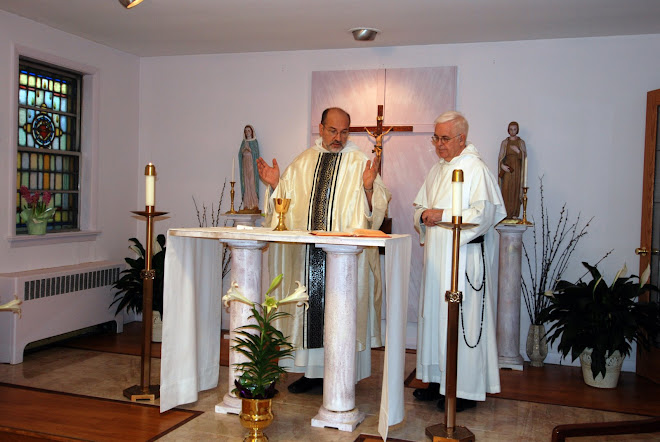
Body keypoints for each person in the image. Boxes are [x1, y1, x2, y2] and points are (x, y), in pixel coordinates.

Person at [256, 107, 390, 393]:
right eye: (332, 131)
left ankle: (341, 371)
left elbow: (375, 210)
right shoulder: (304, 161)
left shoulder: (359, 162)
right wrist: (275, 184)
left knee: (339, 311)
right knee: (310, 311)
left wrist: (367, 189)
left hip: (342, 260)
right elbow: (284, 208)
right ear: (320, 128)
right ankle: (311, 373)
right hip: (308, 258)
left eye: (344, 132)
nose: (338, 137)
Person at [412, 111, 506, 411]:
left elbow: (484, 214)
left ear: (461, 138)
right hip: (438, 261)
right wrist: (423, 215)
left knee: (461, 322)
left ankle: (463, 389)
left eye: (444, 138)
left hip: (463, 260)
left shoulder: (474, 168)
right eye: (435, 138)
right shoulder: (439, 169)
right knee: (435, 320)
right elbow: (420, 207)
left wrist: (442, 215)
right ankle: (438, 380)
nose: (438, 145)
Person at [497, 121, 527, 219]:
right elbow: (501, 157)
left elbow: (524, 158)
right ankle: (506, 213)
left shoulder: (521, 142)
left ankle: (514, 213)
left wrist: (518, 151)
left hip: (517, 170)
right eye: (511, 129)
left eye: (514, 129)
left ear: (517, 130)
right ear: (508, 130)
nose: (512, 131)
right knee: (506, 190)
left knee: (515, 190)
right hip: (507, 170)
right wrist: (502, 166)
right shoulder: (505, 143)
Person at [239, 125, 260, 212]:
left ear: (251, 132)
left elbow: (256, 153)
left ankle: (254, 203)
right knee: (246, 183)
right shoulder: (243, 142)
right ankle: (247, 204)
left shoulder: (254, 142)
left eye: (249, 131)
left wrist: (250, 150)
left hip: (251, 164)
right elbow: (239, 154)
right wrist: (243, 150)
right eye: (246, 131)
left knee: (252, 182)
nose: (247, 132)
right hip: (245, 164)